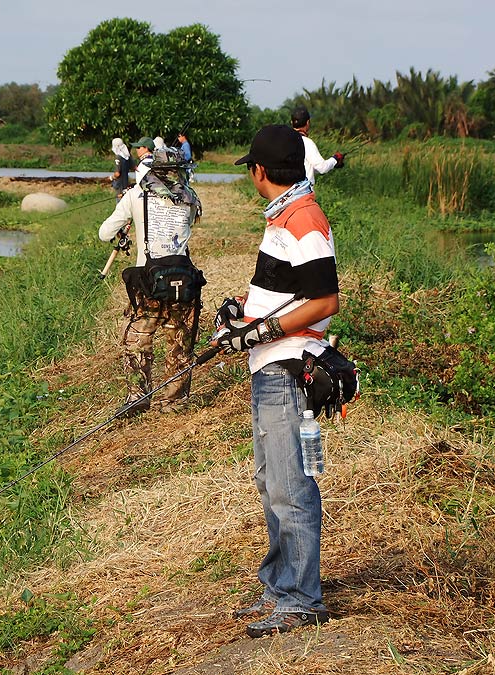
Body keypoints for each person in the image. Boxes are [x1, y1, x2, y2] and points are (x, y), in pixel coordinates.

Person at [215, 124, 339, 638]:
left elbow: (324, 301)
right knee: (271, 483)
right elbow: (285, 291)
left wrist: (258, 332)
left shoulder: (303, 220)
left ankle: (300, 601)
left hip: (289, 367)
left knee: (291, 488)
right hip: (269, 363)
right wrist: (242, 317)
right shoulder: (286, 213)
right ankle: (279, 586)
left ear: (258, 171)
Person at [99, 147, 203, 417]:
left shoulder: (135, 195)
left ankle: (138, 396)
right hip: (182, 282)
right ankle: (174, 402)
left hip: (148, 283)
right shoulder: (190, 198)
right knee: (179, 343)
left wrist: (128, 220)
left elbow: (104, 233)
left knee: (137, 340)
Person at [290, 105, 345, 186]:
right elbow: (322, 168)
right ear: (308, 122)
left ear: (291, 123)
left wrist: (333, 165)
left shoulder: (285, 141)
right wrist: (335, 159)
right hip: (303, 194)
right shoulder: (307, 142)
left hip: (284, 195)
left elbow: (308, 167)